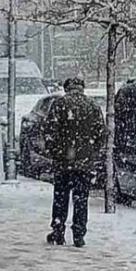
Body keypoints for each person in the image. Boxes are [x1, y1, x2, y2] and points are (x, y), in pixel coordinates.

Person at [43, 77, 106, 248]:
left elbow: (49, 131)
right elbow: (101, 133)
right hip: (84, 163)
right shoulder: (92, 106)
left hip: (63, 162)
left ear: (66, 88)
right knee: (81, 199)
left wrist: (56, 152)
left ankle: (58, 230)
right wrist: (91, 152)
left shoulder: (59, 104)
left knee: (60, 198)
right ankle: (79, 233)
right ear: (82, 88)